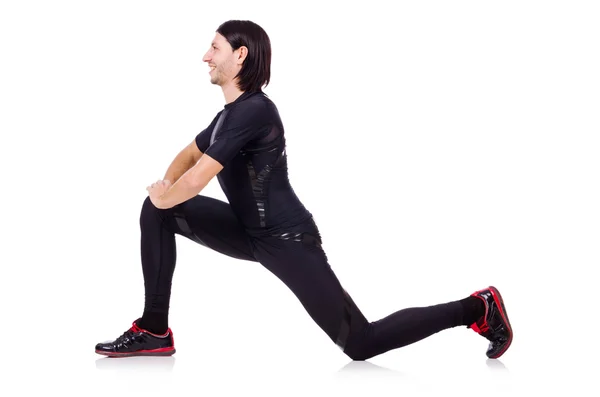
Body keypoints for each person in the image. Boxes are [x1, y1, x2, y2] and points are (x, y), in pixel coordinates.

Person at [95, 20, 513, 361]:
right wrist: (163, 192)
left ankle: (478, 307)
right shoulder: (228, 116)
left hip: (287, 239)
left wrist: (166, 193)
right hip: (248, 232)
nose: (206, 56)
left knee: (361, 343)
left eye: (215, 47)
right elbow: (188, 156)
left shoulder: (256, 111)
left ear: (241, 55)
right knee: (157, 211)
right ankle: (154, 329)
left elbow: (199, 177)